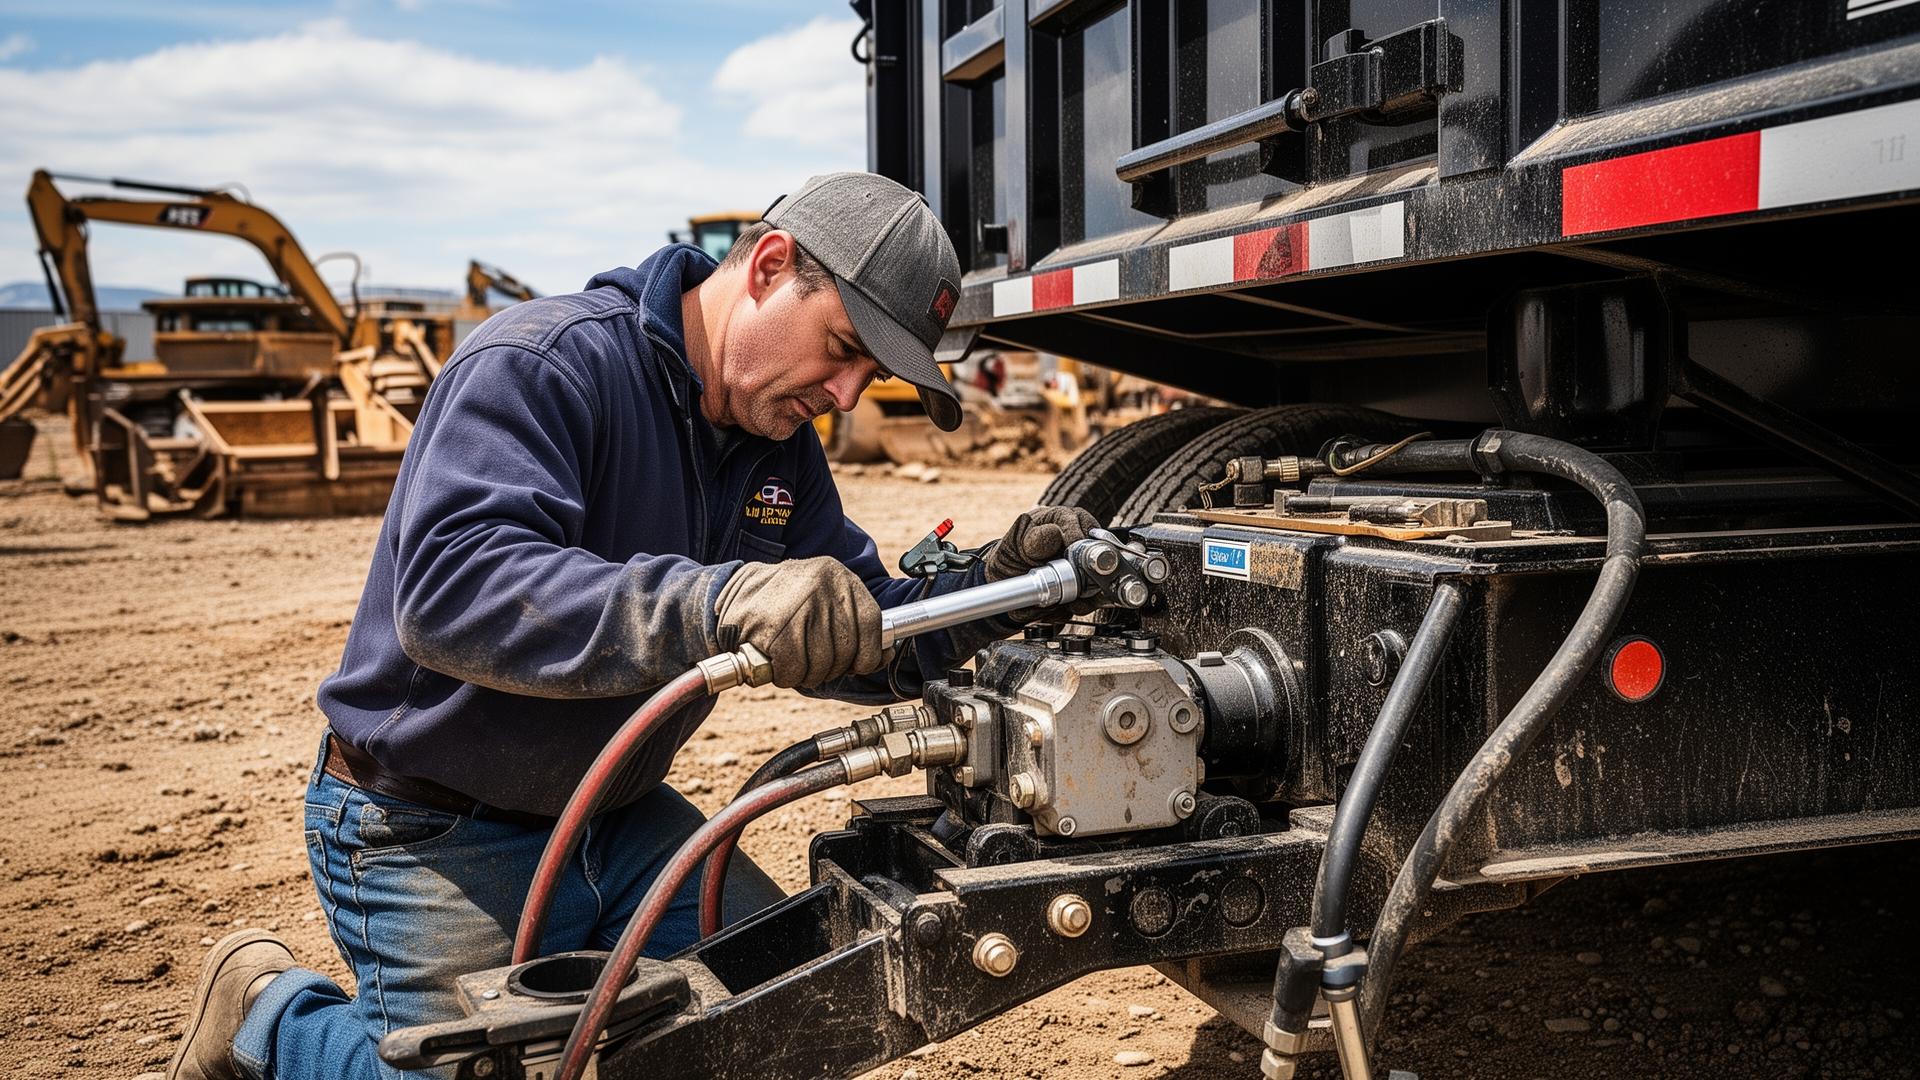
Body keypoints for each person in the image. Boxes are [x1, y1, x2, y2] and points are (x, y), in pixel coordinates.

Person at [165, 172, 1100, 1080]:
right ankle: (269, 1019)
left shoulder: (776, 445)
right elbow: (454, 592)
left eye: (871, 373)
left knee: (793, 1012)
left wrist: (997, 585)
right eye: (844, 347)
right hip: (434, 827)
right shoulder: (544, 365)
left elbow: (858, 629)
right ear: (770, 266)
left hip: (619, 816)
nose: (849, 396)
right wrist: (715, 600)